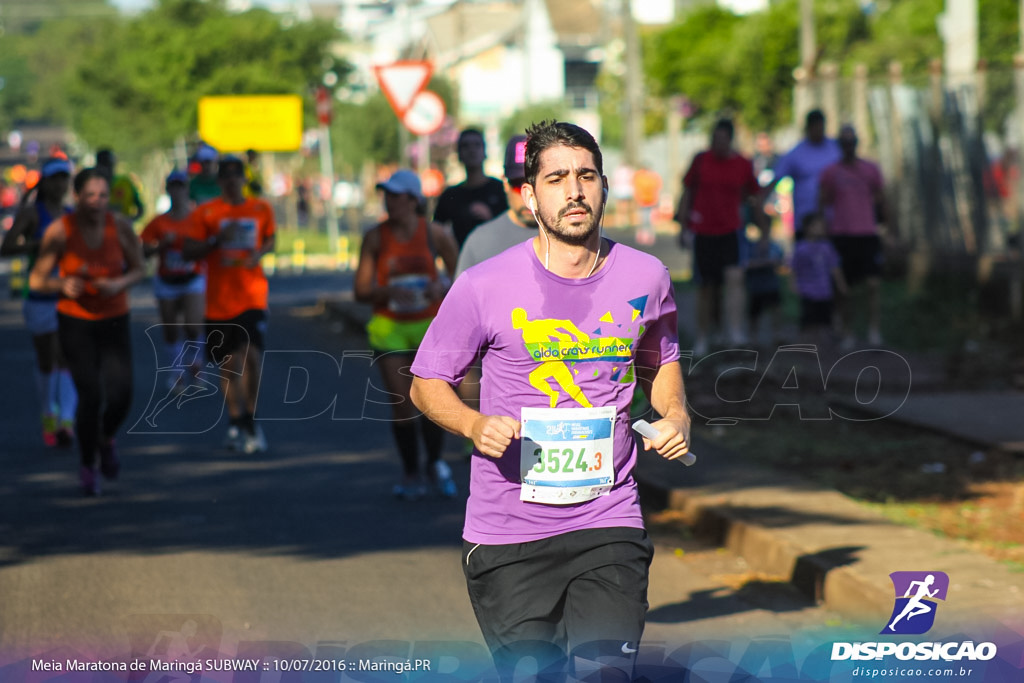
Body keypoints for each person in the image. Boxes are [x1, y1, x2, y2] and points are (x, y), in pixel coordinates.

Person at [409, 120, 691, 682]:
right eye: (557, 178)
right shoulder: (484, 285)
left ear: (604, 187)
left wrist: (676, 413)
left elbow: (662, 362)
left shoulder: (646, 276)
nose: (575, 191)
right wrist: (472, 424)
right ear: (530, 195)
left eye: (586, 176)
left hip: (608, 519)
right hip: (509, 534)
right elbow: (425, 383)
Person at [28, 167, 145, 495]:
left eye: (103, 196)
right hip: (75, 320)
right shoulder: (61, 231)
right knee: (90, 395)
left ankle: (106, 438)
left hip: (114, 318)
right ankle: (87, 463)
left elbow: (139, 269)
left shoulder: (119, 228)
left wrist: (118, 283)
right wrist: (59, 283)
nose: (96, 202)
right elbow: (36, 279)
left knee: (122, 396)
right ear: (76, 197)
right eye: (89, 196)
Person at [354, 169, 459, 500]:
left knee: (432, 402)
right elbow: (360, 290)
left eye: (396, 195)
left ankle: (435, 463)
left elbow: (462, 279)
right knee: (403, 405)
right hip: (390, 329)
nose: (389, 201)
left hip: (429, 327)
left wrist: (438, 285)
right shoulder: (375, 237)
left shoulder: (435, 235)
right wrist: (385, 292)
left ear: (414, 200)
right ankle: (411, 472)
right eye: (386, 194)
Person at [184, 155, 276, 454]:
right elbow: (189, 251)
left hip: (252, 295)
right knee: (228, 364)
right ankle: (235, 419)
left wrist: (259, 253)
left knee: (252, 357)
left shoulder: (260, 208)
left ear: (245, 180)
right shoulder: (207, 213)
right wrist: (215, 241)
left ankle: (251, 419)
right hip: (218, 301)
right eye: (227, 177)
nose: (233, 181)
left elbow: (272, 239)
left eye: (238, 176)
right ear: (220, 181)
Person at [1, 157, 78, 447]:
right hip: (39, 297)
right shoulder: (33, 214)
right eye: (55, 178)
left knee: (66, 356)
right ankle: (48, 413)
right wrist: (38, 244)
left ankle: (67, 421)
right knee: (47, 359)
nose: (60, 184)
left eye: (64, 178)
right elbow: (6, 248)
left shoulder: (72, 215)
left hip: (67, 294)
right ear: (45, 182)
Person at [674, 118, 763, 355]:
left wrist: (763, 229)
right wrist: (683, 226)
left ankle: (734, 331)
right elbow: (688, 191)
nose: (719, 144)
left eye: (723, 139)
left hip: (731, 230)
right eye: (715, 139)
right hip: (703, 231)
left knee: (735, 278)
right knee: (707, 287)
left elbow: (754, 196)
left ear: (730, 140)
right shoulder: (701, 160)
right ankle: (704, 336)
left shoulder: (742, 164)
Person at [818, 124, 886, 348]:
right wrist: (823, 231)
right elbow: (823, 202)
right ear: (840, 145)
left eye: (852, 142)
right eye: (845, 142)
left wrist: (887, 228)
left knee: (873, 284)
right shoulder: (831, 172)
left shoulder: (870, 170)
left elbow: (882, 199)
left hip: (867, 233)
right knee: (844, 287)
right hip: (841, 234)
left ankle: (874, 329)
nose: (849, 146)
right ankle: (847, 330)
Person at [140, 170, 205, 391]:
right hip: (167, 280)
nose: (177, 191)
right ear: (167, 190)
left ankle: (195, 361)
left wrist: (194, 249)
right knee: (171, 330)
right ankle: (177, 373)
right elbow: (144, 251)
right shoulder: (158, 222)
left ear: (187, 189)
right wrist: (162, 246)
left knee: (193, 325)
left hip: (192, 277)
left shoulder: (198, 220)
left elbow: (209, 246)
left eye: (181, 186)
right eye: (173, 186)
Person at [454, 134, 538, 278]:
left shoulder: (569, 239)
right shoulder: (479, 241)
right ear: (505, 183)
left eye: (535, 184)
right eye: (518, 185)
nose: (528, 195)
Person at [761, 109, 841, 240]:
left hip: (834, 221)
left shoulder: (835, 148)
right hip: (805, 221)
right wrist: (761, 199)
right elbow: (776, 177)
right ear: (809, 128)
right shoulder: (796, 153)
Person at [432, 128, 509, 249]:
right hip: (462, 264)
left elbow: (514, 229)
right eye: (465, 146)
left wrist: (491, 220)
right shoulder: (449, 196)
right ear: (458, 154)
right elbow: (436, 233)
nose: (472, 150)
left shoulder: (502, 190)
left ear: (485, 152)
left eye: (477, 145)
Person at [790, 213, 847, 345]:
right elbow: (794, 268)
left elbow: (835, 267)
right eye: (817, 226)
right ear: (808, 228)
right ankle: (806, 344)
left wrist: (841, 284)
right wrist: (793, 284)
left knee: (825, 320)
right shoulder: (801, 248)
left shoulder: (827, 247)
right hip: (807, 291)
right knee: (809, 320)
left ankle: (822, 345)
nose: (821, 229)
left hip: (825, 291)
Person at [740, 225, 785, 346]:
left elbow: (781, 262)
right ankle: (753, 337)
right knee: (754, 313)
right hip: (756, 286)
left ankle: (777, 333)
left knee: (776, 308)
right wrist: (764, 263)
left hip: (771, 284)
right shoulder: (749, 246)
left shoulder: (774, 245)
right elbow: (745, 264)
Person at [95, 149, 145, 222]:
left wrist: (129, 221)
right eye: (104, 164)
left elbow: (140, 208)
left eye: (109, 164)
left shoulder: (125, 182)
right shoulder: (92, 185)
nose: (107, 168)